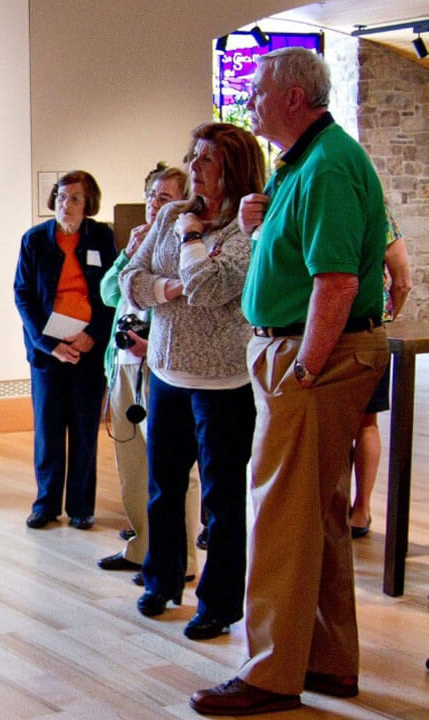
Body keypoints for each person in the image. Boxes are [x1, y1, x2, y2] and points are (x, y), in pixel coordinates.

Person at [192, 47, 390, 715]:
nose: (250, 105)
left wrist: (303, 368)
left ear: (296, 99)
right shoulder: (308, 159)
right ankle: (327, 663)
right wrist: (262, 221)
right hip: (303, 358)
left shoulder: (329, 165)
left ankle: (271, 674)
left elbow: (336, 282)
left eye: (258, 93)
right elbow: (304, 254)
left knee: (277, 517)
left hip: (313, 362)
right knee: (319, 519)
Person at [121, 123, 262, 641]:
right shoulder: (169, 215)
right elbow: (128, 282)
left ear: (234, 167)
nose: (195, 167)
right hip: (165, 373)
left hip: (224, 381)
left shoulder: (248, 225)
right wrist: (168, 285)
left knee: (223, 499)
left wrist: (192, 240)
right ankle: (161, 580)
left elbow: (208, 290)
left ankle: (220, 603)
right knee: (164, 487)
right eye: (194, 156)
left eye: (207, 159)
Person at [97, 163, 202, 579]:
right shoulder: (140, 242)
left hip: (161, 368)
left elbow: (188, 301)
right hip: (123, 366)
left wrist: (153, 342)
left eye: (165, 196)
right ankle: (142, 549)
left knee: (173, 467)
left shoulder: (185, 242)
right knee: (132, 465)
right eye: (151, 196)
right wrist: (126, 253)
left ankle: (182, 560)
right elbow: (108, 292)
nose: (155, 204)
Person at [14, 171, 117, 529]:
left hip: (88, 348)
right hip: (47, 352)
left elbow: (111, 294)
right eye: (60, 196)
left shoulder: (102, 238)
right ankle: (45, 504)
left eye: (75, 198)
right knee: (49, 428)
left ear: (88, 204)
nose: (66, 204)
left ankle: (81, 507)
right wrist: (49, 345)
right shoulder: (34, 240)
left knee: (85, 429)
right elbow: (23, 297)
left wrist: (93, 336)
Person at [349, 206, 411, 539]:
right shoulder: (378, 215)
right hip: (367, 327)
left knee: (345, 424)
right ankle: (361, 510)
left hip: (326, 329)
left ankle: (347, 508)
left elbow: (402, 282)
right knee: (366, 422)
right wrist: (386, 317)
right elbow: (402, 281)